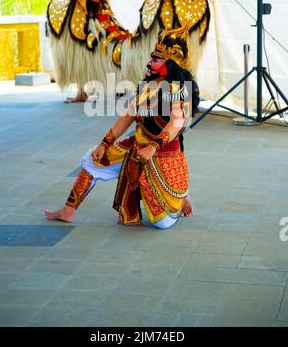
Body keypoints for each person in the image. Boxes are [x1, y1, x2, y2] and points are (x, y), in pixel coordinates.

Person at [45, 25, 198, 228]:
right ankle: (67, 211)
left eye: (156, 59)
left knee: (161, 222)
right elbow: (127, 117)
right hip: (136, 147)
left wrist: (153, 147)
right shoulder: (147, 86)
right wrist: (104, 143)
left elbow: (176, 123)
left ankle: (180, 199)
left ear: (170, 63)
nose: (150, 63)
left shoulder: (178, 89)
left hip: (163, 156)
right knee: (91, 159)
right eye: (152, 57)